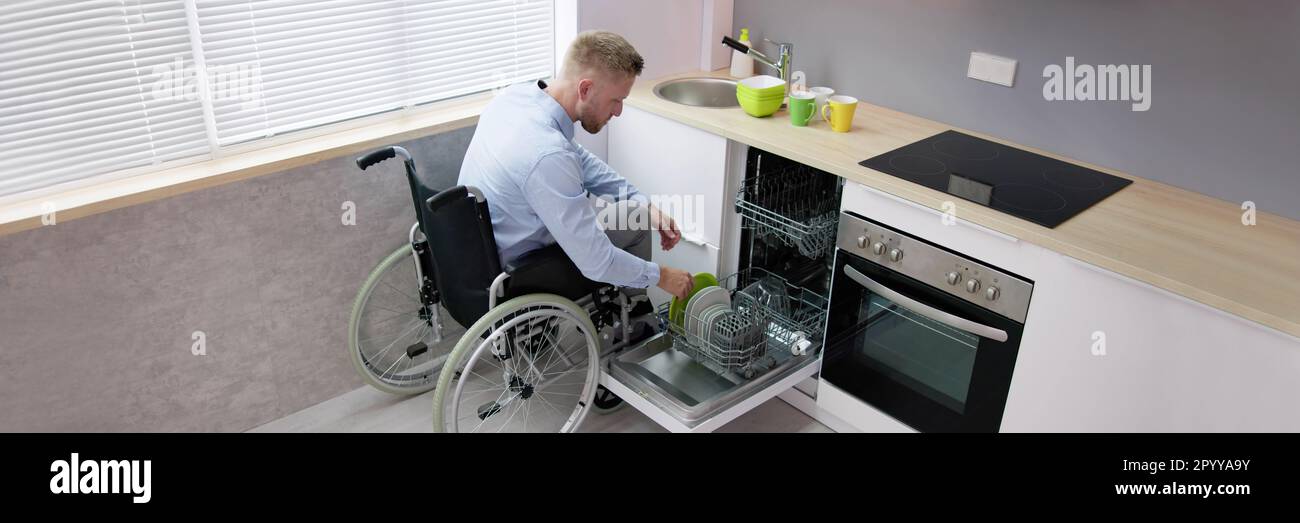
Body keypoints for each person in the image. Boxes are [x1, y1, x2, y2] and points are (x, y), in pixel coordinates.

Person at [458, 30, 694, 301]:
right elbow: (597, 262)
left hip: (476, 254)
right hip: (524, 273)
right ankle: (636, 319)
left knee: (637, 211)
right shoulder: (548, 156)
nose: (618, 112)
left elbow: (578, 158)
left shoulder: (514, 99)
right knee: (635, 223)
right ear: (585, 89)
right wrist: (661, 276)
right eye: (616, 100)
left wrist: (644, 203)